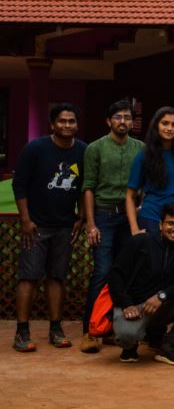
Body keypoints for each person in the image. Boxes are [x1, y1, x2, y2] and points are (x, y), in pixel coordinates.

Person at [12, 103, 87, 352]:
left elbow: (85, 187)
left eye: (72, 121)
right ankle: (22, 332)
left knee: (57, 278)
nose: (67, 125)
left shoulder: (83, 151)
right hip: (37, 225)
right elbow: (19, 184)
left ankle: (56, 328)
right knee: (29, 278)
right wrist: (25, 219)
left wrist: (81, 215)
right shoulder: (36, 148)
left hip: (64, 226)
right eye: (62, 121)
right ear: (52, 124)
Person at [80, 100, 145, 353]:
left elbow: (144, 183)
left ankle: (109, 326)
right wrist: (91, 224)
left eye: (127, 117)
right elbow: (88, 187)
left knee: (126, 273)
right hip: (104, 216)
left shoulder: (140, 148)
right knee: (102, 271)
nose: (123, 122)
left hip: (130, 218)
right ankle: (89, 330)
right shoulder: (95, 148)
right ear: (109, 121)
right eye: (118, 117)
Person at [109, 204, 174, 366]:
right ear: (161, 225)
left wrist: (162, 296)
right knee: (126, 336)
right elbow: (115, 275)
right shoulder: (140, 241)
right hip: (135, 306)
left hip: (163, 304)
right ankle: (131, 346)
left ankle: (167, 345)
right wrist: (126, 304)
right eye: (170, 223)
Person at [126, 106, 174, 237]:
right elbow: (130, 196)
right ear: (156, 125)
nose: (170, 128)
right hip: (151, 218)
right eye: (165, 123)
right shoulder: (144, 156)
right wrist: (134, 230)